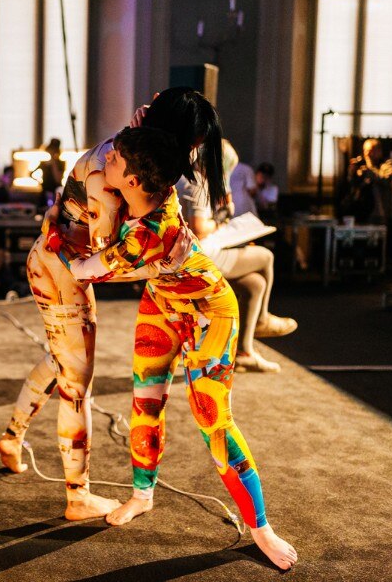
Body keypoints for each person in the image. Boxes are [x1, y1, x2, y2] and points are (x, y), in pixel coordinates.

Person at [51, 126, 297, 571]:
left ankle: (261, 528)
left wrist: (56, 239)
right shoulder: (155, 191)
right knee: (145, 402)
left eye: (115, 160)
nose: (107, 160)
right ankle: (142, 495)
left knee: (214, 423)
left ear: (132, 180)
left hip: (209, 313)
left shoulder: (148, 234)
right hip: (162, 303)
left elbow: (85, 270)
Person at [0, 88, 227, 522]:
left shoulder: (128, 149)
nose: (191, 156)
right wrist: (160, 261)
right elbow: (102, 261)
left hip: (57, 262)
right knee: (76, 383)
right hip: (63, 270)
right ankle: (77, 495)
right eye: (191, 145)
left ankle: (12, 436)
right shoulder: (116, 173)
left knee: (63, 361)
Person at [176, 173, 297, 372]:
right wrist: (220, 222)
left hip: (189, 257)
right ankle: (262, 319)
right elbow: (199, 228)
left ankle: (243, 353)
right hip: (200, 258)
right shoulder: (196, 183)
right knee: (266, 256)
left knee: (255, 285)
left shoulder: (183, 179)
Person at [342, 138, 392, 225]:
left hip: (379, 212)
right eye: (365, 151)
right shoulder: (362, 167)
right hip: (362, 211)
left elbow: (385, 180)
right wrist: (352, 173)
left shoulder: (386, 165)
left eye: (370, 151)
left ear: (379, 151)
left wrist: (368, 170)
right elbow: (353, 185)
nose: (367, 154)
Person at [38, 138, 65, 204]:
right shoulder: (44, 163)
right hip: (45, 191)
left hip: (56, 192)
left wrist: (53, 163)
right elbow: (31, 173)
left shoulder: (60, 163)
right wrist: (40, 182)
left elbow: (58, 179)